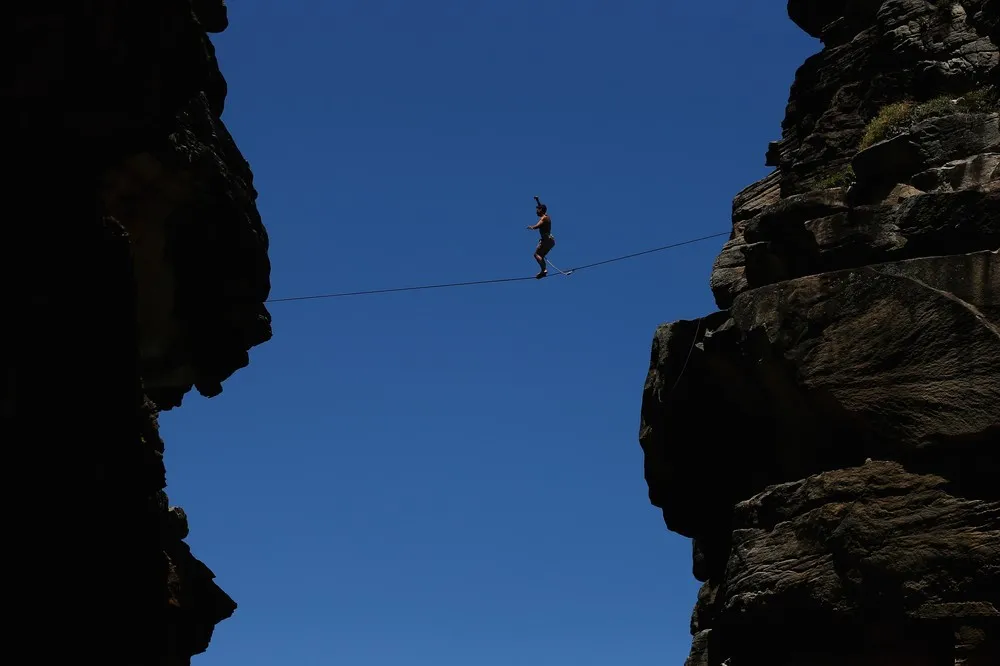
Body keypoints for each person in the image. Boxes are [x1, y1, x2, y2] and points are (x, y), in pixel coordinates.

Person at [526, 195, 555, 278]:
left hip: (546, 240)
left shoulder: (544, 219)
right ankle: (543, 271)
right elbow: (542, 207)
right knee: (540, 256)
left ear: (541, 210)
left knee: (536, 255)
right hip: (550, 241)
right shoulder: (546, 215)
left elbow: (538, 225)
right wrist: (537, 200)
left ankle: (544, 270)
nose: (536, 212)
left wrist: (532, 227)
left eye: (537, 210)